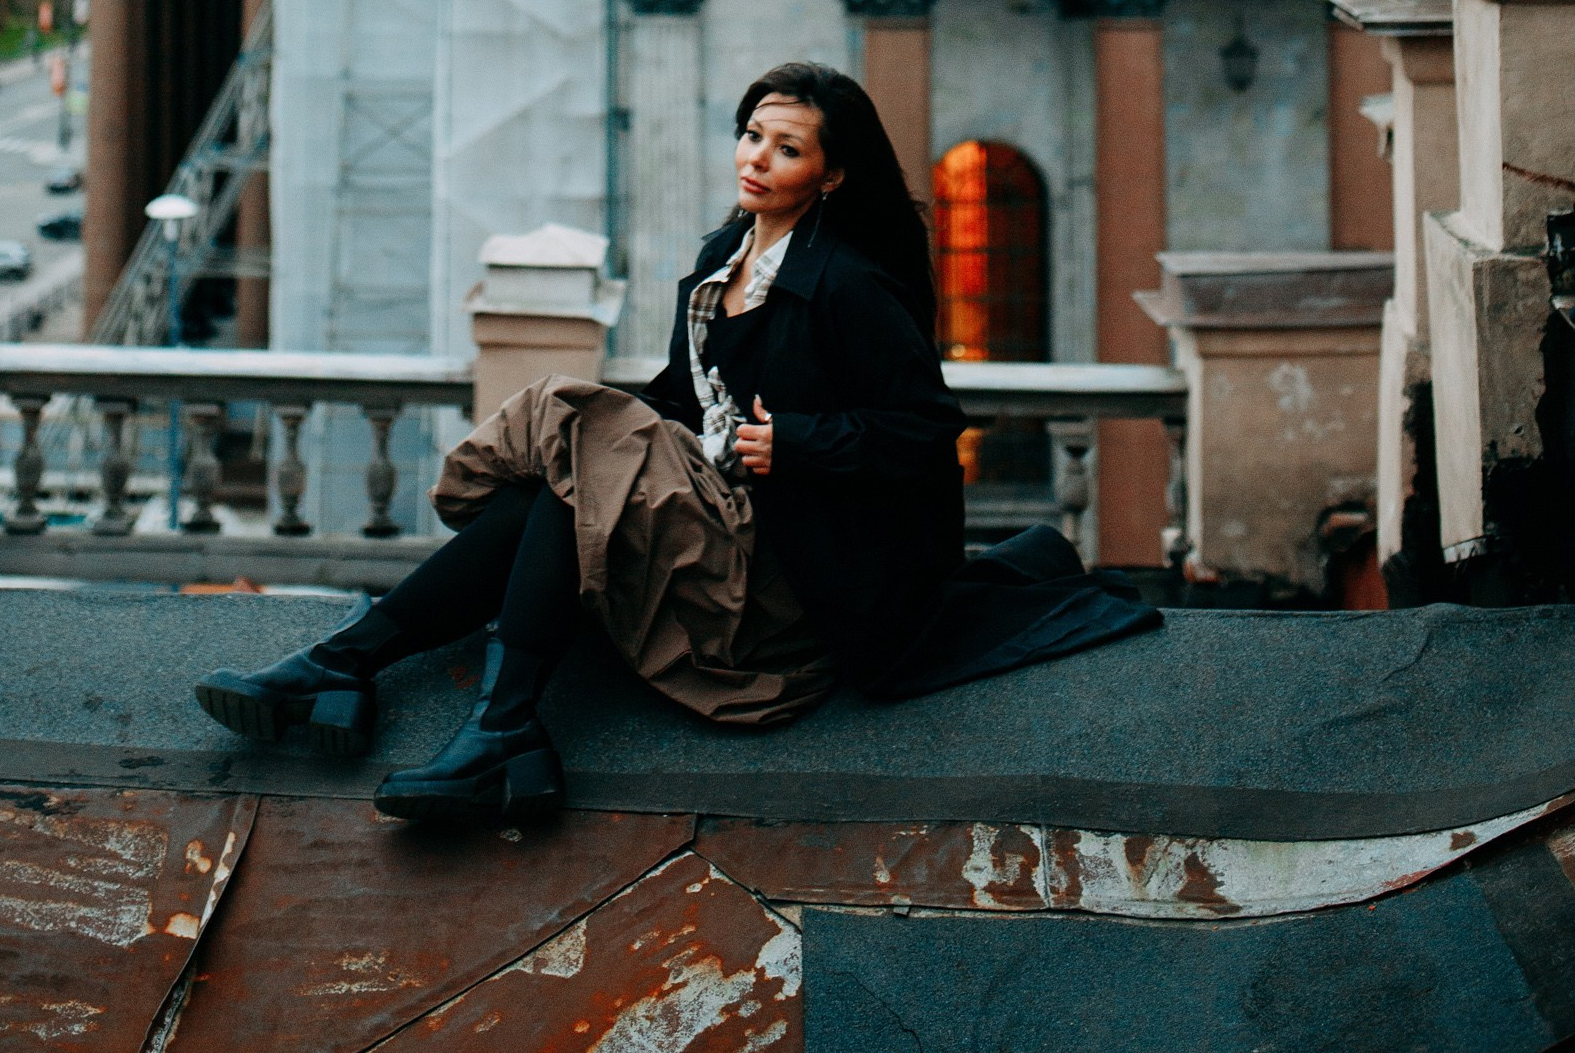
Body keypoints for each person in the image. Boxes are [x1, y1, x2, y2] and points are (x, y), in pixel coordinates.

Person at [194, 61, 1154, 824]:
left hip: (789, 573)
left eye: (784, 148)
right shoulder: (720, 258)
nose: (755, 159)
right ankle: (433, 703)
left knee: (574, 461)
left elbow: (926, 431)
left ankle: (376, 683)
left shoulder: (852, 285)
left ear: (832, 173)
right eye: (750, 136)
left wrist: (808, 442)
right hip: (723, 511)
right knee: (565, 481)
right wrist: (622, 432)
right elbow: (680, 396)